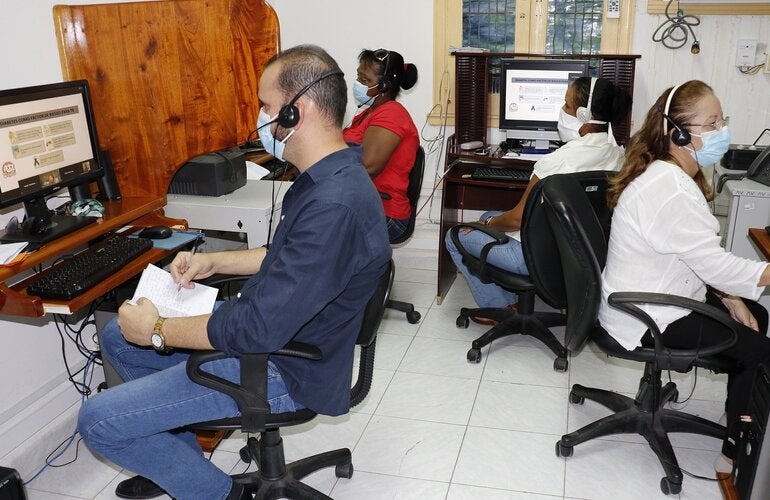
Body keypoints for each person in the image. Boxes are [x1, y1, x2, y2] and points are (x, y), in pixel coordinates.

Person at [76, 44, 392, 500]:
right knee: (114, 337)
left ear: (294, 112)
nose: (260, 120)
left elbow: (257, 328)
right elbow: (283, 254)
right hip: (278, 339)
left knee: (98, 422)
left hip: (285, 369)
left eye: (266, 107)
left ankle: (224, 495)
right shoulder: (329, 174)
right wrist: (213, 261)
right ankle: (181, 462)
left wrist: (159, 330)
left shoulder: (334, 205)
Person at [598, 80, 770, 483]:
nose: (721, 130)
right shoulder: (670, 189)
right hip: (649, 314)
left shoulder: (671, 175)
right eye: (711, 123)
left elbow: (695, 258)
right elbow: (714, 265)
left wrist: (731, 297)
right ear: (676, 133)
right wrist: (754, 276)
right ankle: (734, 449)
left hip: (658, 296)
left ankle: (737, 407)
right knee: (761, 350)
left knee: (755, 312)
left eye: (721, 120)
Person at [445, 76, 631, 320]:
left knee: (455, 234)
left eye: (566, 105)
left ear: (584, 115)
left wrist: (487, 225)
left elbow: (518, 220)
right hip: (576, 255)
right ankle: (511, 301)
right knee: (487, 216)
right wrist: (488, 222)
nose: (561, 111)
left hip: (534, 257)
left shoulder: (557, 161)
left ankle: (498, 309)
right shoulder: (617, 154)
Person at [343, 48, 419, 242]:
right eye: (358, 77)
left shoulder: (392, 114)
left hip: (386, 213)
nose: (358, 84)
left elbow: (368, 167)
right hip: (363, 203)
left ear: (384, 85)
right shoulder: (367, 113)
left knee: (316, 226)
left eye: (365, 80)